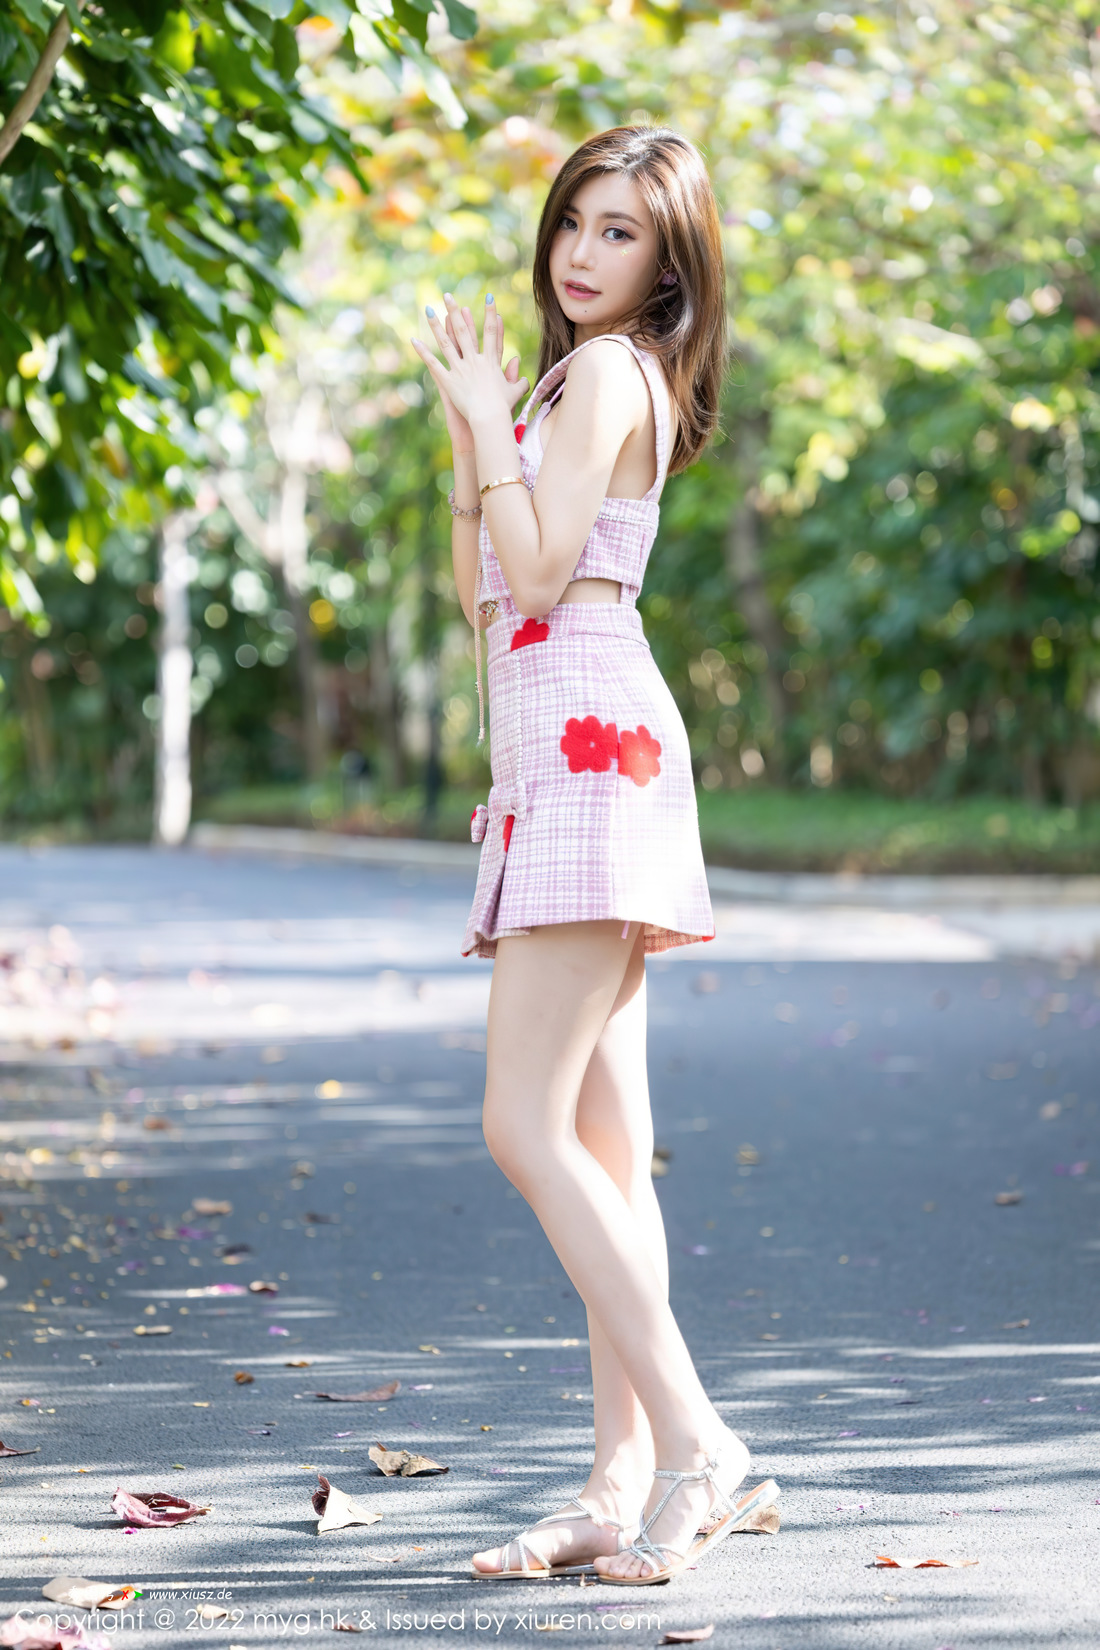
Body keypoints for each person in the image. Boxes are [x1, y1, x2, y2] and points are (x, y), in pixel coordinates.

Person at [411, 125, 779, 1588]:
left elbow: (547, 570)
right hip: (562, 757)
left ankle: (701, 1445)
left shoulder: (615, 371)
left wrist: (488, 426)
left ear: (668, 265)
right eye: (574, 220)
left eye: (621, 232)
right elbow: (480, 591)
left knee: (524, 1122)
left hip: (585, 760)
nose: (582, 251)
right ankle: (618, 1484)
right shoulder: (571, 382)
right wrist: (473, 437)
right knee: (611, 1152)